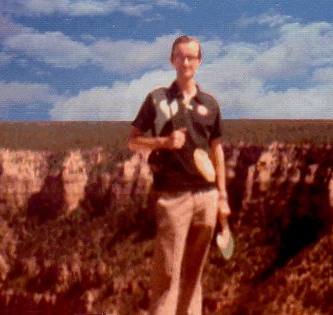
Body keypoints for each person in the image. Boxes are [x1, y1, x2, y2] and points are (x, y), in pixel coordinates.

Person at [127, 35, 231, 315]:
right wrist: (163, 142)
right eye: (180, 56)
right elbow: (133, 141)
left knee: (193, 277)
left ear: (199, 61)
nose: (186, 62)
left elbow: (217, 152)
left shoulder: (210, 104)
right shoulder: (157, 99)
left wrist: (222, 197)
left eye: (191, 57)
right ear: (172, 60)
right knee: (167, 276)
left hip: (207, 198)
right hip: (173, 199)